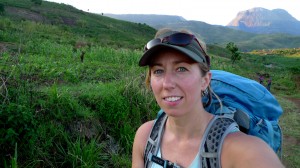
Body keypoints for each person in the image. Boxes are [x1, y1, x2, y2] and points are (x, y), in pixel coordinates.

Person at [132, 28, 284, 168]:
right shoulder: (145, 137)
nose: (167, 83)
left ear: (205, 80)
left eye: (181, 69)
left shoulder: (241, 151)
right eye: (158, 71)